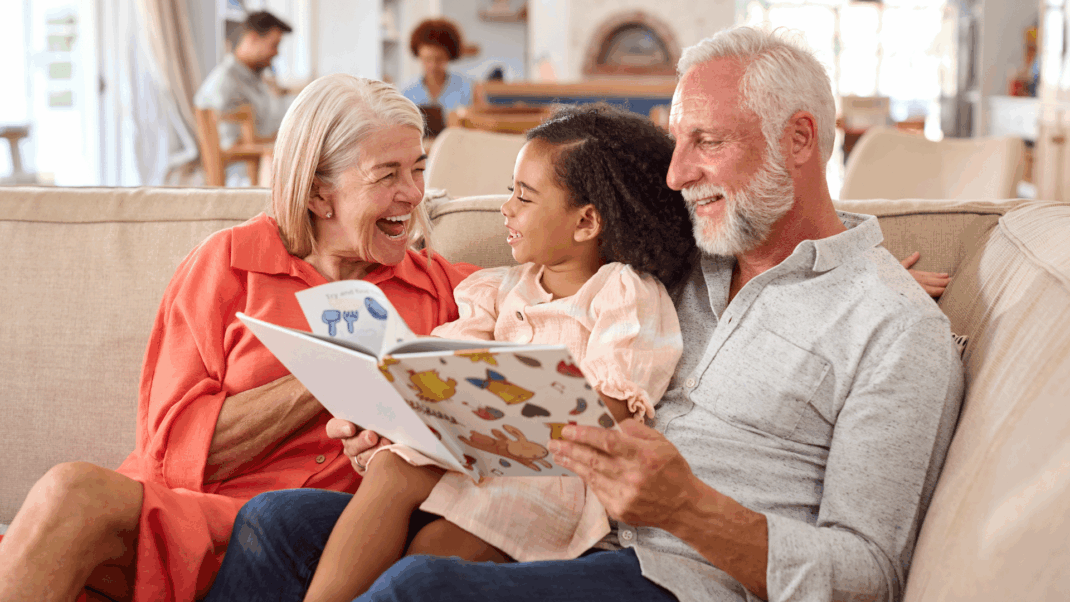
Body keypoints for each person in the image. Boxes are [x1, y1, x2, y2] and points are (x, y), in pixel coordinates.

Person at [202, 26, 965, 602]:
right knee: (270, 524)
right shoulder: (676, 253)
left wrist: (692, 511)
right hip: (550, 517)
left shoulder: (893, 331)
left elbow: (871, 573)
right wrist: (409, 411)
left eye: (706, 142)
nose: (677, 172)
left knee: (420, 591)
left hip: (670, 574)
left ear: (801, 138)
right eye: (675, 142)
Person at [0, 75, 479, 602]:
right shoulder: (228, 264)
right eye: (387, 175)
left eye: (417, 169)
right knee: (69, 494)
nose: (412, 195)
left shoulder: (443, 289)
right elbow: (168, 451)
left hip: (311, 539)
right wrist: (330, 371)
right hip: (189, 517)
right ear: (321, 192)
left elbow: (548, 326)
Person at [300, 104, 695, 602]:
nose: (506, 208)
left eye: (524, 197)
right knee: (392, 467)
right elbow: (441, 359)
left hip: (549, 476)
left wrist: (489, 402)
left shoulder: (623, 293)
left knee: (436, 547)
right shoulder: (495, 290)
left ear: (586, 221)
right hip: (471, 448)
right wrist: (390, 397)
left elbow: (609, 409)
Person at [194, 11, 296, 153]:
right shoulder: (226, 83)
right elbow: (232, 145)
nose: (276, 53)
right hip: (247, 169)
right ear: (253, 38)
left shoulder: (255, 78)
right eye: (274, 45)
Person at [400, 19, 475, 112]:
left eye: (439, 59)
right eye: (427, 59)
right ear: (419, 56)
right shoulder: (406, 91)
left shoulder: (467, 88)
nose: (433, 65)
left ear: (449, 57)